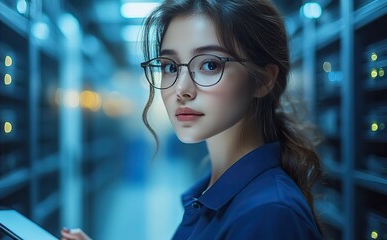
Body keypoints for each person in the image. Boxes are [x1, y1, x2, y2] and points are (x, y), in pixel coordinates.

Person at [61, 0, 324, 239]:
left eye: (210, 65)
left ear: (264, 80)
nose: (181, 89)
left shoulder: (269, 215)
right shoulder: (214, 190)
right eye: (170, 67)